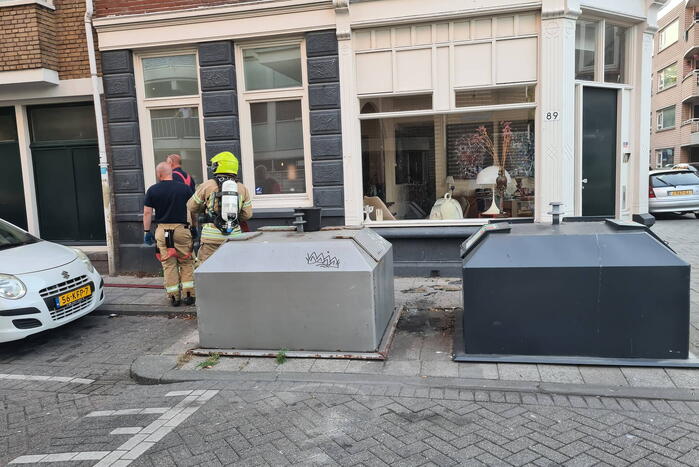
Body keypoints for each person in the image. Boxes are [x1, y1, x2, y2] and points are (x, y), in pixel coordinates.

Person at [143, 162, 196, 307]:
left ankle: (174, 297)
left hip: (162, 231)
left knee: (168, 264)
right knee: (186, 261)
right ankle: (189, 295)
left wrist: (147, 231)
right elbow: (192, 210)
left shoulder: (152, 190)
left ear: (159, 174)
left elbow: (147, 212)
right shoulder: (184, 188)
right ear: (171, 173)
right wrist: (194, 227)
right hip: (181, 229)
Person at [187, 151, 252, 264]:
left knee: (207, 268)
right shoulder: (242, 188)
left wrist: (205, 209)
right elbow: (247, 214)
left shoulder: (207, 185)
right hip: (234, 236)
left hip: (210, 237)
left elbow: (191, 206)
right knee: (233, 267)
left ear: (218, 166)